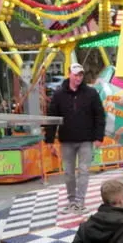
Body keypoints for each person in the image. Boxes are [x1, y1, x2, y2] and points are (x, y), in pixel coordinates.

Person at [44, 63, 106, 213]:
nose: (78, 77)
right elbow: (52, 116)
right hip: (67, 139)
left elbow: (99, 115)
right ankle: (71, 201)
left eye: (81, 75)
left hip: (86, 139)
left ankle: (80, 202)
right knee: (68, 173)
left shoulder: (91, 93)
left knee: (84, 171)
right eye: (76, 74)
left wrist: (99, 137)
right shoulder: (59, 94)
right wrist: (49, 139)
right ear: (69, 74)